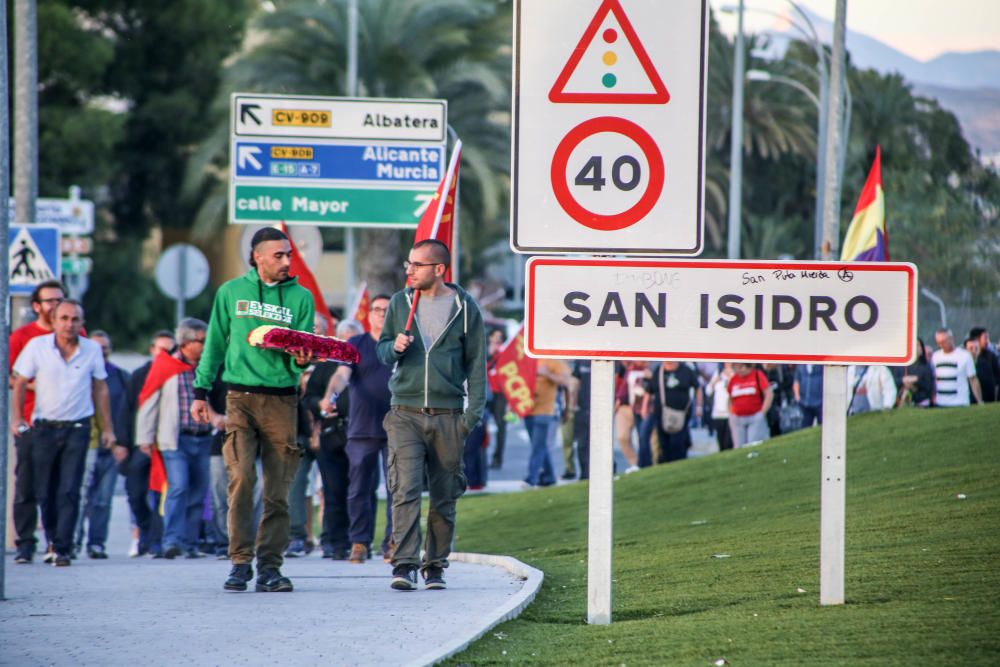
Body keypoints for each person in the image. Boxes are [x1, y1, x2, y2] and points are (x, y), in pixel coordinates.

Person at [191, 227, 316, 593]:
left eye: (288, 254)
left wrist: (301, 362)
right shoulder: (231, 292)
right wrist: (201, 392)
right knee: (242, 478)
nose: (286, 261)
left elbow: (300, 358)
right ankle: (240, 561)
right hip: (239, 397)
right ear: (257, 256)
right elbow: (213, 344)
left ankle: (270, 567)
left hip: (282, 399)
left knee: (278, 490)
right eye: (278, 255)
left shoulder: (301, 298)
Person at [377, 238, 487, 591]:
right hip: (405, 412)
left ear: (439, 269)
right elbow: (381, 352)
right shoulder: (400, 303)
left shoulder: (466, 308)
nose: (408, 270)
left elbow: (477, 365)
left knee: (444, 496)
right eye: (408, 263)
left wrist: (471, 417)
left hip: (449, 415)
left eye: (417, 265)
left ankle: (435, 565)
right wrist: (392, 348)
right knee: (404, 489)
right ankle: (405, 563)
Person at [11, 300, 120, 566]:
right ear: (55, 320)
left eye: (75, 319)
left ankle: (63, 547)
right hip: (44, 428)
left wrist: (107, 429)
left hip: (77, 428)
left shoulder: (91, 350)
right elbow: (20, 381)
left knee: (70, 489)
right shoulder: (38, 347)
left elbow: (101, 388)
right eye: (64, 318)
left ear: (82, 323)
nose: (69, 324)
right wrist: (17, 418)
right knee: (45, 490)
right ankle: (50, 538)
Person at [137, 318, 219, 559]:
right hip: (175, 439)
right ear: (185, 342)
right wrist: (145, 436)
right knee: (179, 487)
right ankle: (171, 540)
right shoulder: (166, 365)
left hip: (203, 437)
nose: (205, 345)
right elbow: (150, 400)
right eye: (201, 341)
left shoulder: (207, 366)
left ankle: (191, 543)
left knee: (198, 491)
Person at [319, 305, 395, 563]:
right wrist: (330, 396)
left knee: (399, 488)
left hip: (399, 426)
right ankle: (359, 542)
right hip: (362, 427)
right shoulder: (356, 343)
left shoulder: (402, 343)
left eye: (387, 310)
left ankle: (393, 542)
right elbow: (341, 374)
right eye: (376, 309)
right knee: (358, 488)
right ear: (369, 315)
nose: (381, 314)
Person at [9, 280, 68, 563]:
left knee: (60, 487)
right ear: (36, 306)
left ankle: (56, 544)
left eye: (60, 299)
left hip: (66, 423)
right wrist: (35, 386)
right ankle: (24, 544)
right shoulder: (23, 337)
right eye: (50, 301)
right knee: (27, 486)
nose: (56, 305)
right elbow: (9, 377)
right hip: (33, 422)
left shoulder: (74, 334)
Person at [294, 318, 359, 560]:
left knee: (361, 489)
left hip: (362, 434)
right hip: (331, 434)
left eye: (355, 340)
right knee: (332, 490)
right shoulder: (327, 366)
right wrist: (321, 405)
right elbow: (309, 397)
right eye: (346, 340)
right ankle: (334, 541)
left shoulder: (368, 362)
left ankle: (359, 538)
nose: (351, 345)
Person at [74, 330, 131, 559]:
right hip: (83, 444)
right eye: (96, 347)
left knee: (102, 500)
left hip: (111, 447)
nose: (101, 351)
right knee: (77, 497)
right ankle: (72, 541)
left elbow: (128, 413)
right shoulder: (79, 373)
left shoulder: (120, 376)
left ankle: (96, 544)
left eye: (105, 347)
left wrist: (123, 443)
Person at [120, 330, 175, 558]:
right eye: (161, 349)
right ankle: (144, 530)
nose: (165, 354)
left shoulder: (177, 373)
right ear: (152, 350)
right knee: (135, 492)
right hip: (140, 445)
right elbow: (127, 409)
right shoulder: (140, 374)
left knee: (163, 494)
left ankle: (156, 541)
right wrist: (122, 443)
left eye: (170, 350)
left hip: (166, 443)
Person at [522, 358, 571, 487]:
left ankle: (531, 478)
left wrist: (547, 374)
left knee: (538, 446)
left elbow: (566, 381)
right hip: (527, 409)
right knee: (540, 445)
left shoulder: (554, 361)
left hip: (546, 411)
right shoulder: (529, 359)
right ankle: (550, 477)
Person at [932, 328, 982, 407]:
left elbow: (973, 379)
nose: (941, 345)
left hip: (960, 402)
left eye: (944, 341)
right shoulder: (935, 356)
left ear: (951, 339)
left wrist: (979, 401)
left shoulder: (965, 355)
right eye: (938, 342)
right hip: (940, 402)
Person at [727, 363, 773, 448]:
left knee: (753, 444)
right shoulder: (733, 379)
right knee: (738, 446)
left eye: (742, 367)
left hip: (754, 416)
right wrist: (731, 414)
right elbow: (730, 399)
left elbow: (768, 394)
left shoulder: (757, 375)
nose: (741, 370)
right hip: (738, 418)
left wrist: (762, 413)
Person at [486, 327, 510, 470]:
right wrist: (490, 353)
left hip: (501, 394)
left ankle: (497, 458)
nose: (497, 340)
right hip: (487, 393)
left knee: (501, 426)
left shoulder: (505, 353)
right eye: (494, 336)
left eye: (500, 337)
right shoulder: (484, 351)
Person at [894, 338, 935, 408]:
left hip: (922, 404)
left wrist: (916, 381)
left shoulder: (926, 366)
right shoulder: (901, 365)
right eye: (914, 345)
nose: (916, 348)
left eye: (918, 345)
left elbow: (929, 387)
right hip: (903, 403)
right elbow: (893, 382)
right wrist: (904, 380)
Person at [706, 363, 734, 451]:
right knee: (720, 441)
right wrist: (714, 382)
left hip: (730, 413)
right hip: (718, 413)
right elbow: (708, 391)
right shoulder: (718, 373)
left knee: (728, 442)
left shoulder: (735, 373)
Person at [968, 327, 998, 402]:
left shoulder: (991, 355)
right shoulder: (966, 357)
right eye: (985, 338)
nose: (988, 341)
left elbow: (996, 376)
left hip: (989, 396)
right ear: (977, 339)